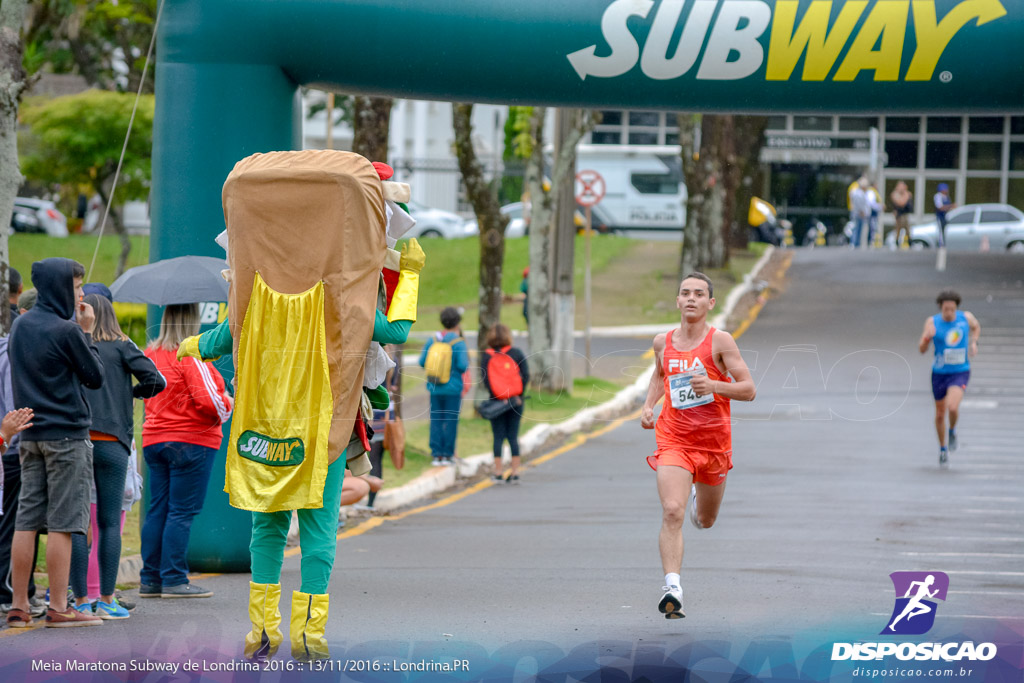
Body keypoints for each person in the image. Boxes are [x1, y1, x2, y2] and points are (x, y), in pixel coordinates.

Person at [640, 272, 756, 619]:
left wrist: (714, 386)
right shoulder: (663, 342)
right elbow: (661, 374)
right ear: (677, 301)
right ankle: (672, 586)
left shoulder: (720, 342)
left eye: (699, 294)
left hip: (713, 445)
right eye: (685, 293)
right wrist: (649, 406)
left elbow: (749, 389)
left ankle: (697, 501)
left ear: (710, 303)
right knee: (671, 510)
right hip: (674, 439)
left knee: (704, 520)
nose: (691, 298)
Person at [7, 258, 105, 627]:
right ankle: (60, 606)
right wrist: (86, 332)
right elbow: (94, 377)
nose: (81, 293)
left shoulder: (21, 325)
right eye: (77, 286)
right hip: (67, 435)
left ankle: (19, 605)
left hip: (30, 434)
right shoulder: (67, 330)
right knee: (64, 522)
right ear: (61, 287)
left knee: (27, 520)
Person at [70, 294, 165, 618]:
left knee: (78, 525)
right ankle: (108, 601)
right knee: (110, 524)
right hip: (113, 443)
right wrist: (132, 393)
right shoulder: (123, 346)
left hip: (78, 442)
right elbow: (157, 380)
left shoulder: (77, 346)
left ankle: (81, 601)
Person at [140, 303, 233, 599]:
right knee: (181, 511)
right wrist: (228, 401)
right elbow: (209, 402)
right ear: (191, 321)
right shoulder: (190, 353)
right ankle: (174, 579)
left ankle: (150, 578)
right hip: (191, 440)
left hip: (155, 439)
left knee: (158, 509)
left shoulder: (149, 354)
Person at [0, 333, 44, 618]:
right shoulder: (12, 350)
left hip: (9, 447)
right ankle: (9, 592)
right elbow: (16, 408)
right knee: (15, 524)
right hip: (13, 449)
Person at [918, 290, 980, 467]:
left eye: (952, 309)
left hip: (960, 371)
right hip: (939, 373)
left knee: (952, 407)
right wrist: (927, 336)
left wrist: (974, 342)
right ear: (940, 308)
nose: (949, 313)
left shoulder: (965, 318)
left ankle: (952, 431)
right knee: (939, 414)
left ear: (956, 308)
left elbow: (977, 327)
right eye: (946, 309)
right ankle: (943, 449)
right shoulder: (932, 322)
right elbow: (921, 349)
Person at [419, 307, 469, 466]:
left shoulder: (432, 339)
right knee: (451, 420)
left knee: (436, 419)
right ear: (458, 322)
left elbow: (422, 362)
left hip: (434, 387)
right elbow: (463, 365)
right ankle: (448, 454)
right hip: (453, 388)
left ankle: (436, 454)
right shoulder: (458, 342)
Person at [481, 324, 529, 482]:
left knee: (498, 436)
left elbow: (486, 380)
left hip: (496, 403)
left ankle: (498, 471)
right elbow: (526, 375)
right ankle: (515, 472)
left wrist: (496, 395)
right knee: (513, 436)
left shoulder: (487, 356)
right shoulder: (516, 353)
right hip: (515, 401)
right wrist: (519, 395)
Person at [890, 181, 913, 250]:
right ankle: (897, 242)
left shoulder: (907, 193)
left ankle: (909, 241)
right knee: (898, 229)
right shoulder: (896, 194)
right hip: (899, 215)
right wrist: (905, 195)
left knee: (907, 228)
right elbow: (901, 203)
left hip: (905, 214)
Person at [849, 177, 871, 248]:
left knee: (857, 228)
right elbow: (859, 204)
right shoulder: (859, 193)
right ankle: (855, 243)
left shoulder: (855, 192)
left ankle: (855, 243)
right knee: (857, 228)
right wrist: (861, 211)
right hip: (859, 213)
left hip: (857, 213)